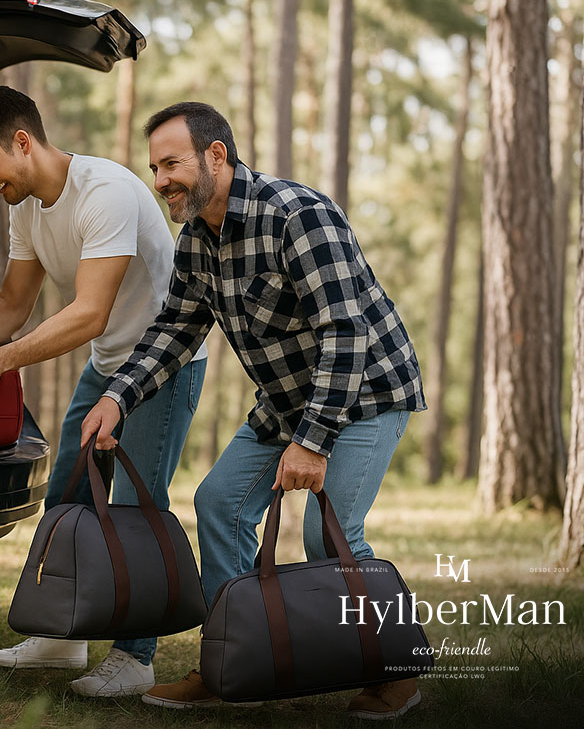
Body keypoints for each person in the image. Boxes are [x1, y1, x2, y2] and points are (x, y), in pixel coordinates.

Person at [81, 102, 426, 720]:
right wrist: (116, 395)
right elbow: (174, 331)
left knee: (330, 534)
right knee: (218, 504)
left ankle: (395, 671)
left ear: (217, 155)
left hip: (368, 389)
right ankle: (237, 659)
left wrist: (315, 442)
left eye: (172, 163)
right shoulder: (196, 241)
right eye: (154, 167)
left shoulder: (298, 215)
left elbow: (345, 333)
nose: (160, 180)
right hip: (286, 399)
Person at [0, 86, 207, 697]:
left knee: (138, 508)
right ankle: (63, 636)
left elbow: (89, 313)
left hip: (161, 368)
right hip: (107, 364)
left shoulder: (105, 193)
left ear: (23, 142)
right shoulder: (27, 209)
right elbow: (11, 306)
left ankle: (135, 657)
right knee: (67, 494)